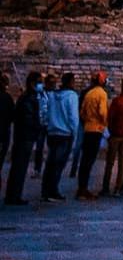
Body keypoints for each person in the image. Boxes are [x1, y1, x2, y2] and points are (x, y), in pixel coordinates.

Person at [4, 72, 43, 206]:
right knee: (19, 168)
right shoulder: (28, 99)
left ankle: (14, 194)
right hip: (24, 137)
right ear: (33, 83)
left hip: (24, 136)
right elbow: (28, 119)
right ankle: (13, 196)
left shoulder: (28, 97)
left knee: (19, 167)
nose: (40, 85)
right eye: (39, 82)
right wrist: (36, 128)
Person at [43, 72, 79, 203]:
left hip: (52, 132)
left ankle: (46, 189)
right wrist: (74, 133)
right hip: (65, 134)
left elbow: (46, 112)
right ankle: (53, 190)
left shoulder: (52, 95)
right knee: (58, 164)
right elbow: (73, 117)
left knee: (50, 162)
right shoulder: (72, 96)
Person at [77, 71, 109, 200]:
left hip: (87, 128)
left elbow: (82, 113)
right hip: (96, 129)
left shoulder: (88, 93)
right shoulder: (102, 94)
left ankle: (81, 187)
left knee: (85, 160)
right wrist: (105, 124)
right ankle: (84, 190)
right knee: (89, 160)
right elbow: (102, 112)